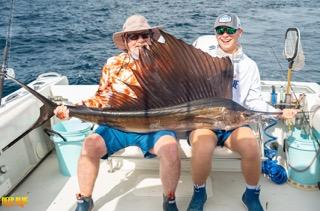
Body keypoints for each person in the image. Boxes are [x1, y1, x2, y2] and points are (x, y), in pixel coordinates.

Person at [54, 14, 181, 211]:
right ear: (125, 42)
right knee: (90, 145)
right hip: (117, 126)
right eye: (133, 37)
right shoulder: (113, 64)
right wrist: (72, 109)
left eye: (144, 35)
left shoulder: (166, 65)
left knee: (171, 148)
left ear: (151, 37)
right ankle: (84, 200)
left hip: (153, 127)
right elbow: (101, 99)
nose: (140, 41)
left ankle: (169, 199)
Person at [187, 13, 297, 211]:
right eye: (220, 30)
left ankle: (251, 194)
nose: (225, 35)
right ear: (215, 33)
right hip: (206, 121)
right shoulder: (204, 58)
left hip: (235, 122)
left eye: (230, 30)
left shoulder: (249, 66)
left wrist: (278, 113)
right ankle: (199, 192)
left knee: (251, 147)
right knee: (201, 147)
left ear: (239, 32)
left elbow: (253, 100)